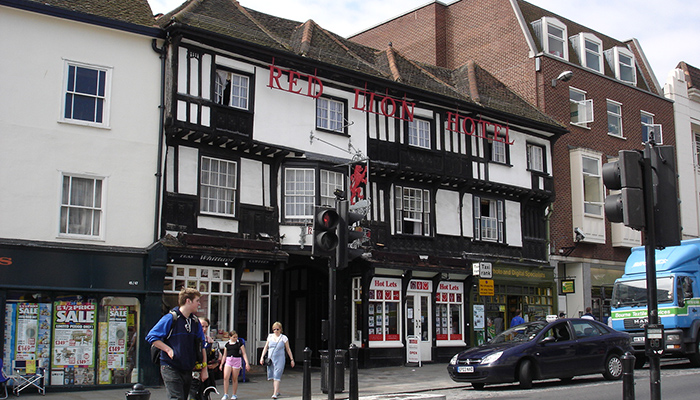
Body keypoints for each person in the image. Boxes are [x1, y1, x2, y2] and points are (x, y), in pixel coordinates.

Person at [146, 288, 208, 400]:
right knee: (176, 398)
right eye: (197, 300)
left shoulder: (195, 322)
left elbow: (201, 345)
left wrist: (204, 369)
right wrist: (168, 350)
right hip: (170, 366)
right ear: (188, 301)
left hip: (187, 367)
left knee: (183, 397)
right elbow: (152, 337)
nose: (199, 303)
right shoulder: (170, 318)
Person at [259, 322, 295, 399]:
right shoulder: (270, 337)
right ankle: (277, 390)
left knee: (277, 375)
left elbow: (288, 349)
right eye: (274, 329)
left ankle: (274, 393)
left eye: (277, 329)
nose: (276, 331)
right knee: (272, 374)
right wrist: (262, 357)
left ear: (281, 329)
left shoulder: (284, 338)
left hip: (280, 359)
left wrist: (292, 359)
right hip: (271, 359)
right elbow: (266, 347)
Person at [191, 317, 220, 400]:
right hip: (194, 373)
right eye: (202, 326)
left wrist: (216, 362)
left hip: (207, 374)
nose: (204, 329)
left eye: (206, 326)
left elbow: (218, 356)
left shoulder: (210, 341)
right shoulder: (192, 339)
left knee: (204, 395)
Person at [220, 330, 250, 400]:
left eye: (236, 337)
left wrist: (247, 363)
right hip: (228, 360)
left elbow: (244, 353)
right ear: (230, 337)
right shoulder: (227, 345)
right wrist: (221, 364)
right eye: (234, 337)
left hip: (236, 360)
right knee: (226, 377)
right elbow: (224, 355)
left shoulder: (239, 344)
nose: (235, 338)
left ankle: (234, 394)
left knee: (234, 378)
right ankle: (225, 393)